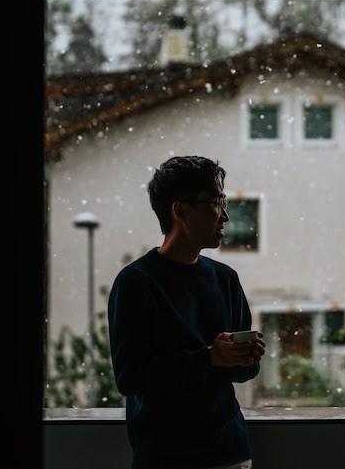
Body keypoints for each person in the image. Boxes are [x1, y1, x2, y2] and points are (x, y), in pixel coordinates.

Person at [108, 156, 265, 469]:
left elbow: (242, 373)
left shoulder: (225, 278)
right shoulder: (136, 283)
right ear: (180, 210)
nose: (226, 216)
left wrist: (247, 356)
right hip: (166, 456)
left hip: (230, 451)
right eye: (216, 202)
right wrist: (209, 357)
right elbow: (130, 378)